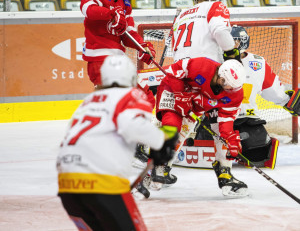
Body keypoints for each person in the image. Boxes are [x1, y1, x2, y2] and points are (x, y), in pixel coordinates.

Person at [57, 55, 178, 231]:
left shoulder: (88, 102)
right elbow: (131, 125)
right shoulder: (132, 94)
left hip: (67, 186)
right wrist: (161, 142)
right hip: (102, 183)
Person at [136, 57, 248, 199]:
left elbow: (225, 118)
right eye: (230, 86)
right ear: (221, 77)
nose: (232, 90)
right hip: (172, 90)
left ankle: (223, 172)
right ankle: (150, 172)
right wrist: (179, 94)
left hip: (193, 105)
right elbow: (173, 72)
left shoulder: (235, 93)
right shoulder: (201, 65)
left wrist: (229, 137)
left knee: (178, 138)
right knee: (172, 125)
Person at [227, 26, 295, 168]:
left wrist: (289, 101)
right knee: (209, 153)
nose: (232, 44)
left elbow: (274, 92)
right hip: (218, 119)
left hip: (246, 119)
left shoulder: (258, 63)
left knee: (259, 156)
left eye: (235, 41)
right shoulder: (213, 60)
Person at [80, 0, 156, 87]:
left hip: (118, 60)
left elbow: (128, 34)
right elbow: (88, 10)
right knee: (111, 97)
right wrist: (111, 14)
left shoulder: (124, 4)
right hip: (99, 59)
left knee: (144, 95)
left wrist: (141, 46)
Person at [172, 0, 240, 64]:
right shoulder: (214, 5)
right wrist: (231, 53)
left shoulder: (181, 15)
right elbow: (220, 30)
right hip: (205, 65)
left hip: (179, 66)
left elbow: (174, 48)